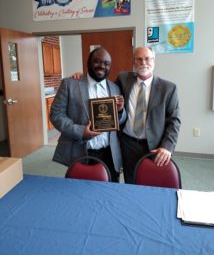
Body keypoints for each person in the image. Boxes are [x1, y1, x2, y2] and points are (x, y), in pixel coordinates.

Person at [50, 47, 126, 182]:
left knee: (110, 193)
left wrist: (120, 111)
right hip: (80, 151)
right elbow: (56, 114)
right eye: (97, 61)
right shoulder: (70, 84)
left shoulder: (115, 88)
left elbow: (120, 121)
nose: (102, 66)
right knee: (80, 193)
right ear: (88, 62)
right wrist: (80, 131)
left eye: (106, 63)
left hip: (110, 153)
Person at [115, 46, 181, 183]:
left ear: (154, 61)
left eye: (147, 59)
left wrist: (167, 146)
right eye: (139, 59)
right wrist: (83, 78)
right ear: (134, 62)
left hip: (154, 147)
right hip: (128, 143)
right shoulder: (123, 79)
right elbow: (104, 86)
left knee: (152, 182)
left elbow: (174, 121)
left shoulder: (168, 88)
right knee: (130, 181)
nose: (143, 63)